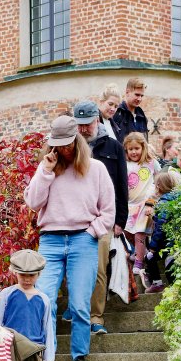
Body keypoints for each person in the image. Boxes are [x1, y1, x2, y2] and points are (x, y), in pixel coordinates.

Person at [24, 115, 115, 361]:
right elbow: (33, 202)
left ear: (77, 141)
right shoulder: (47, 168)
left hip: (82, 240)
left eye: (68, 144)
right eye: (58, 144)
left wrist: (91, 232)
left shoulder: (95, 168)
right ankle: (46, 360)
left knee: (79, 304)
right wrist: (46, 171)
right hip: (51, 240)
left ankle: (79, 356)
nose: (64, 149)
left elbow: (108, 210)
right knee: (46, 301)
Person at [73, 100, 128, 335]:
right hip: (75, 219)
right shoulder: (69, 148)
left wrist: (120, 220)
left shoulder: (114, 147)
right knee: (75, 268)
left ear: (97, 119)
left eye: (88, 123)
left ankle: (96, 317)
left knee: (98, 270)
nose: (85, 129)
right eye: (80, 125)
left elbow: (121, 185)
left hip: (104, 218)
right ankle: (77, 311)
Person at [0, 249, 58, 361]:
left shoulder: (44, 299)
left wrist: (49, 359)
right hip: (10, 348)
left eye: (31, 275)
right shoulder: (6, 294)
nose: (27, 279)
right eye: (22, 275)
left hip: (34, 349)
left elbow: (48, 329)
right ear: (15, 272)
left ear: (39, 274)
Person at [123, 131, 161, 278]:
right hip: (130, 204)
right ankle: (141, 252)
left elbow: (160, 177)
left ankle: (139, 262)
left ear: (142, 148)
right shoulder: (125, 164)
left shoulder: (151, 163)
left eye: (136, 148)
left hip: (147, 203)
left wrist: (155, 197)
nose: (133, 152)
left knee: (140, 232)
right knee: (127, 231)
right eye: (130, 149)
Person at [144, 170, 180, 294]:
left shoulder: (163, 203)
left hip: (166, 242)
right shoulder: (178, 199)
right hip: (177, 240)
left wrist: (153, 247)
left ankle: (158, 284)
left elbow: (161, 227)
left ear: (158, 187)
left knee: (149, 258)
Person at [113, 77, 149, 144]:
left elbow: (144, 143)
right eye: (137, 95)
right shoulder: (117, 113)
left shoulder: (141, 116)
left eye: (142, 96)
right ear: (127, 92)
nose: (139, 99)